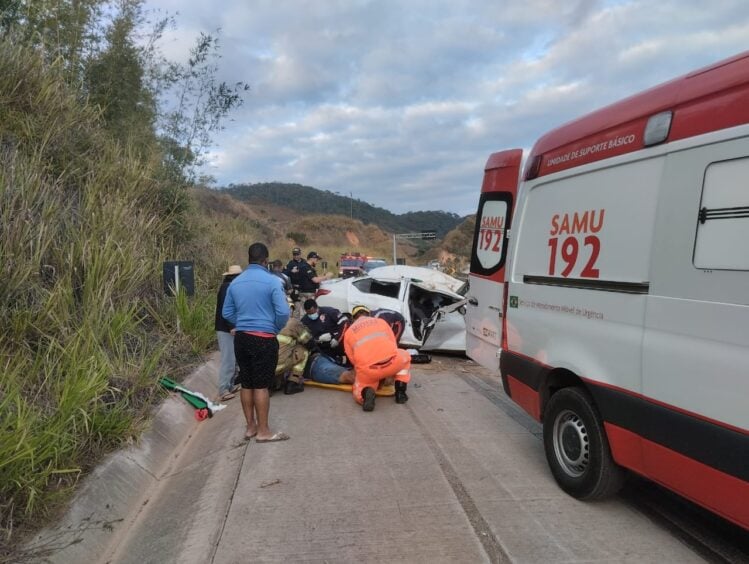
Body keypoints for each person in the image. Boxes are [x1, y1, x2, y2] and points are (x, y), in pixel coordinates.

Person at [223, 242, 291, 442]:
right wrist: (274, 327)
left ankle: (250, 427)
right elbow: (283, 312)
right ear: (266, 260)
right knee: (261, 385)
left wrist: (242, 323)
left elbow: (227, 312)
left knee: (246, 383)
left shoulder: (235, 283)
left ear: (249, 259)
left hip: (242, 338)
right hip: (263, 337)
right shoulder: (272, 282)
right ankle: (263, 431)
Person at [343, 305, 411, 412]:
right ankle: (400, 391)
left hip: (369, 370)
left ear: (353, 318)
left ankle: (366, 393)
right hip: (392, 363)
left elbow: (353, 359)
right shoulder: (381, 322)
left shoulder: (349, 332)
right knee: (405, 358)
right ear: (369, 314)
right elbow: (393, 344)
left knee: (359, 388)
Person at [215, 265, 242, 401]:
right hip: (226, 329)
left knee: (234, 358)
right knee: (228, 359)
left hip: (228, 328)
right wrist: (232, 326)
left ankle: (230, 385)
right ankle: (224, 389)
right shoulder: (227, 288)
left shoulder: (228, 287)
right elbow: (226, 309)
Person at [274, 317, 313, 395]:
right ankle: (292, 383)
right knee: (303, 350)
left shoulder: (264, 320)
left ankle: (273, 384)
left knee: (282, 351)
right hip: (278, 366)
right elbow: (308, 341)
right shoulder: (292, 322)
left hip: (261, 368)